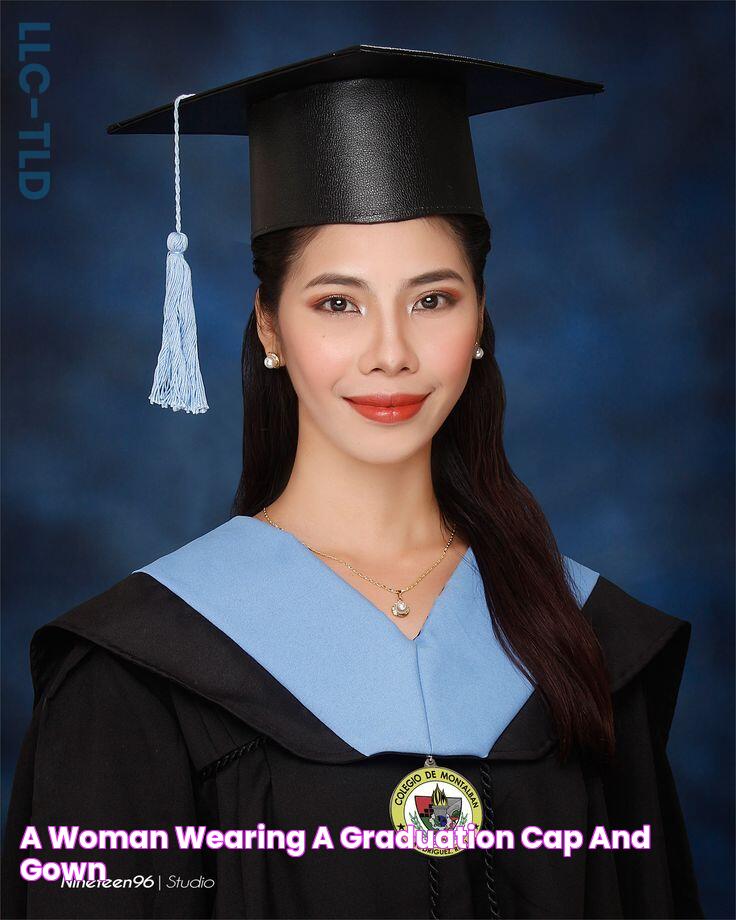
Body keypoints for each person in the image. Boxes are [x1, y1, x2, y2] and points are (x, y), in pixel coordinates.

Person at [2, 45, 703, 919]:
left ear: (480, 318)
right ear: (270, 326)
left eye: (432, 298)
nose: (390, 354)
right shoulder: (137, 676)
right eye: (338, 302)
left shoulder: (587, 644)